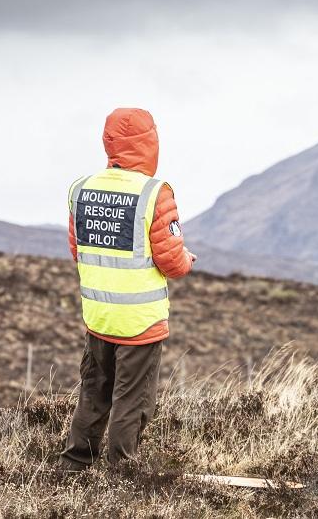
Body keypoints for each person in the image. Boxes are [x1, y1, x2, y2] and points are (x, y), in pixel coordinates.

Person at [58, 108, 195, 472]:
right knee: (131, 401)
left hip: (98, 316)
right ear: (150, 143)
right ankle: (122, 474)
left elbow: (78, 249)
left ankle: (74, 465)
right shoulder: (155, 193)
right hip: (139, 321)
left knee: (93, 393)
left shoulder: (81, 189)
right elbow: (172, 262)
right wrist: (187, 259)